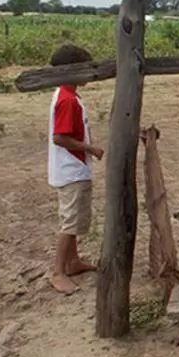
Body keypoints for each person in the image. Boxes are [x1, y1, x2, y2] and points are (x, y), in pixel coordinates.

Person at [48, 44, 104, 295]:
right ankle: (58, 272)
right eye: (85, 69)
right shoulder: (68, 100)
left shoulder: (67, 94)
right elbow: (60, 137)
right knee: (69, 222)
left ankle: (72, 262)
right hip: (71, 169)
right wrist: (90, 148)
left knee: (76, 220)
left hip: (74, 168)